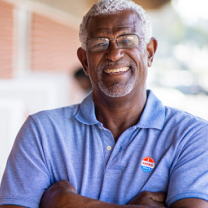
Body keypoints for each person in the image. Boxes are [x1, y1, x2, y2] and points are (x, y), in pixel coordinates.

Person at [1, 0, 208, 207]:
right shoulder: (42, 131)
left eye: (127, 40)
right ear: (84, 61)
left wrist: (70, 203)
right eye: (100, 43)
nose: (114, 53)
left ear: (150, 52)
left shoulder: (190, 135)